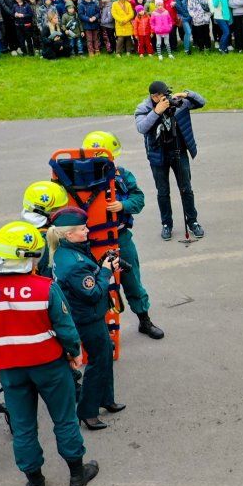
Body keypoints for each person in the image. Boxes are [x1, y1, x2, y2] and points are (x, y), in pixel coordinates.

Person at [0, 221, 98, 486]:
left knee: (23, 426)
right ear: (30, 258)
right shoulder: (44, 287)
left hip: (11, 371)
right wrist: (75, 353)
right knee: (64, 419)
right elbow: (65, 327)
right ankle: (77, 475)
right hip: (49, 366)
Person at [47, 207, 126, 430]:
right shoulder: (75, 263)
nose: (87, 230)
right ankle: (88, 412)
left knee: (104, 355)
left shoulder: (67, 252)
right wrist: (105, 271)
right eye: (83, 228)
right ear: (69, 234)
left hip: (84, 315)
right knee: (98, 360)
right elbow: (92, 293)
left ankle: (106, 399)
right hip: (87, 318)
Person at [82, 131, 164, 339]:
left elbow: (139, 199)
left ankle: (144, 320)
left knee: (132, 280)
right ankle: (96, 330)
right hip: (90, 242)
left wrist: (123, 205)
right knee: (91, 285)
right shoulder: (77, 179)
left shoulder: (122, 176)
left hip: (120, 237)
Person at [135, 80, 207, 240]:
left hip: (178, 151)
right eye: (156, 96)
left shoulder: (176, 102)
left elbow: (201, 102)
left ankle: (193, 222)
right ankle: (166, 224)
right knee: (163, 191)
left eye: (163, 95)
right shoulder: (144, 108)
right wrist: (156, 112)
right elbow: (141, 128)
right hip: (157, 154)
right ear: (152, 96)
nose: (160, 98)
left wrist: (186, 94)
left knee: (186, 188)